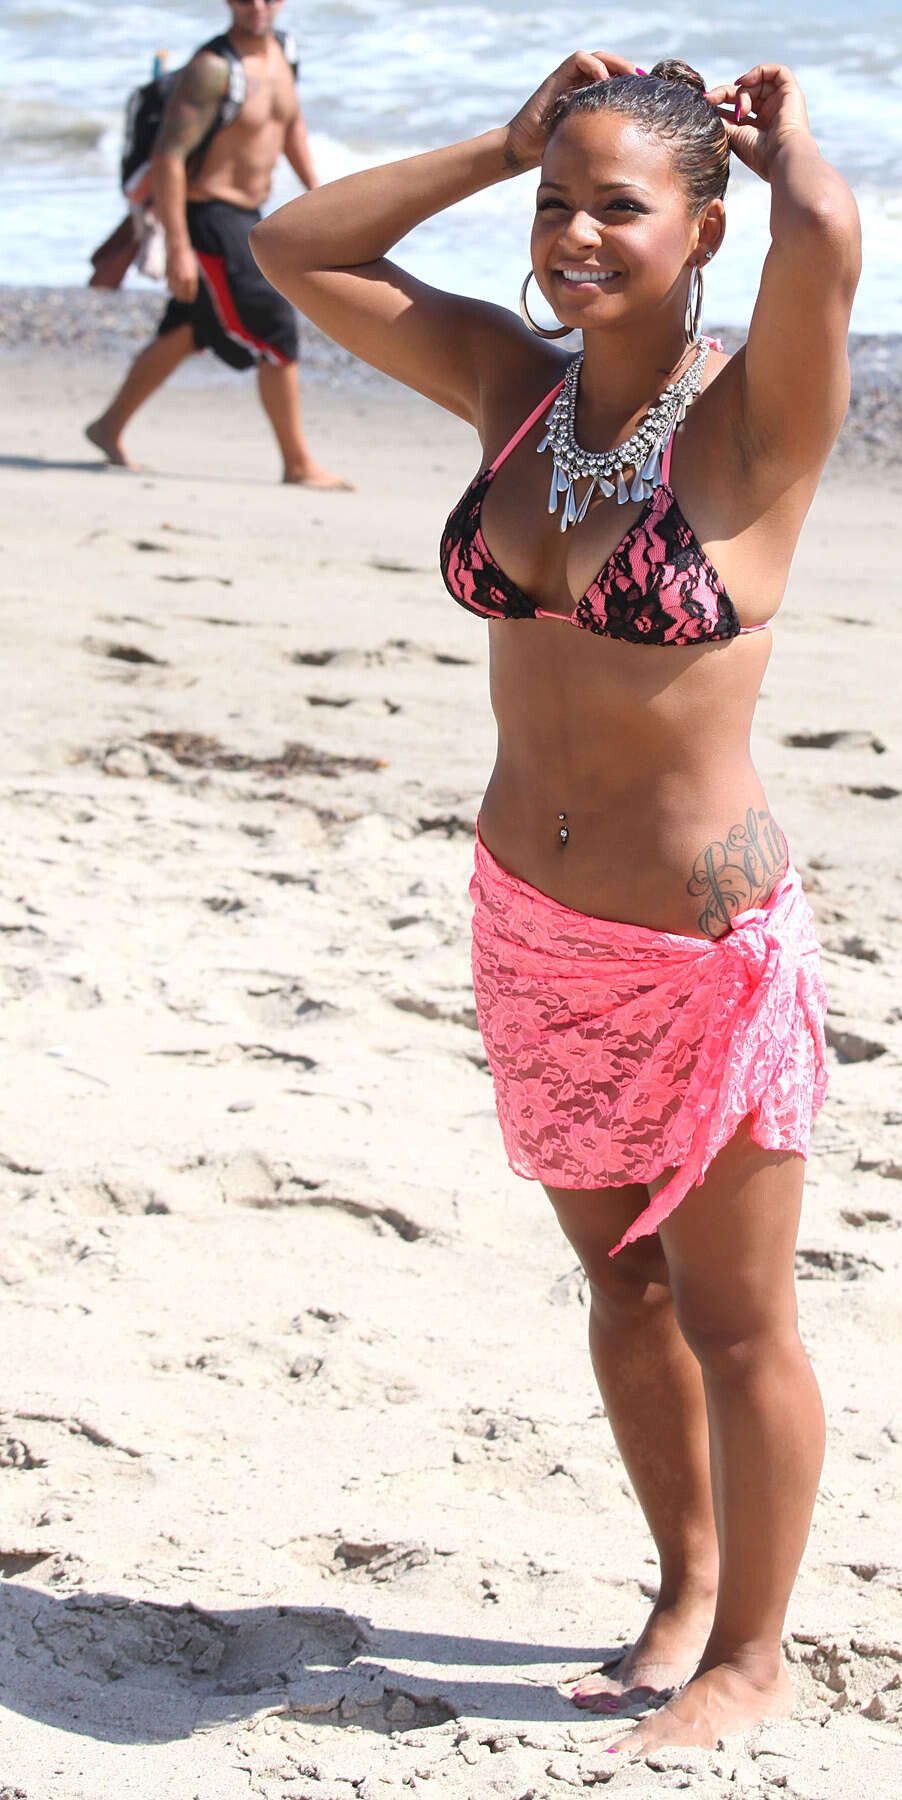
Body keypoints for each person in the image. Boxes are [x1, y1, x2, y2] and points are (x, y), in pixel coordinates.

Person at [251, 49, 860, 1758]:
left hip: (699, 956)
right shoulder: (513, 386)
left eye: (618, 207)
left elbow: (828, 244)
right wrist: (497, 142)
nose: (576, 234)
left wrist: (794, 150)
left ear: (703, 231)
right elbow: (296, 249)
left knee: (737, 1318)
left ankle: (752, 1655)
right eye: (555, 202)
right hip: (531, 928)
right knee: (624, 1290)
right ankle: (684, 1585)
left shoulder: (756, 419)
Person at [86, 0, 348, 489]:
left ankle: (108, 426)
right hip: (207, 214)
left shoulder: (285, 52)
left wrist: (319, 194)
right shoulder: (211, 70)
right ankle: (297, 464)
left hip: (248, 213)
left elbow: (289, 123)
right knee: (275, 325)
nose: (258, 7)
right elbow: (168, 158)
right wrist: (179, 248)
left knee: (190, 327)